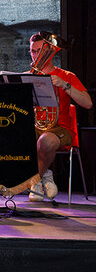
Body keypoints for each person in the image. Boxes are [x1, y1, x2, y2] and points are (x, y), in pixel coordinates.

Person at [28, 33, 92, 201]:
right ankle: (45, 174)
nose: (35, 56)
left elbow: (88, 103)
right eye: (33, 52)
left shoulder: (67, 76)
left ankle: (33, 180)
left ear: (50, 51)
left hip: (60, 128)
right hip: (33, 126)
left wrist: (65, 85)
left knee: (46, 141)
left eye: (39, 51)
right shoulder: (27, 76)